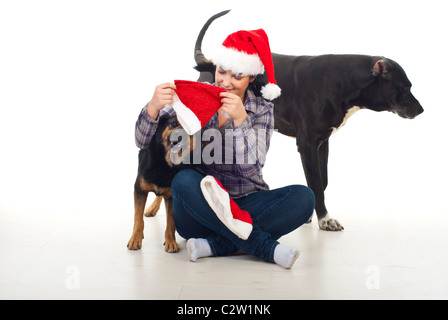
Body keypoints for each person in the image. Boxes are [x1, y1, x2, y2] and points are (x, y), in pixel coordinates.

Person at [134, 29, 315, 269]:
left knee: (304, 198)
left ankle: (215, 245)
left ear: (251, 77)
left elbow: (253, 166)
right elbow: (141, 141)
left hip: (245, 203)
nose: (226, 82)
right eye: (221, 72)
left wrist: (241, 120)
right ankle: (264, 247)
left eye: (237, 76)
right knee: (183, 180)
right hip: (200, 207)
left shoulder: (262, 110)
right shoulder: (195, 97)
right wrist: (153, 107)